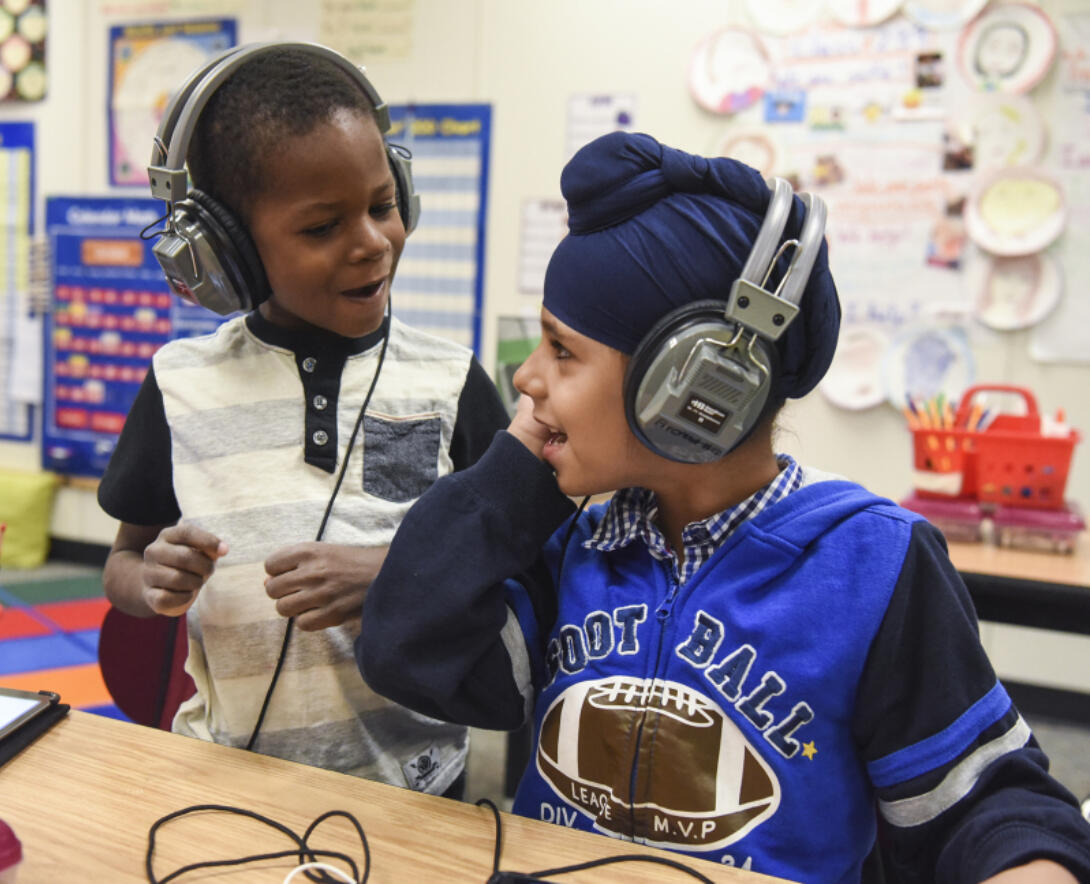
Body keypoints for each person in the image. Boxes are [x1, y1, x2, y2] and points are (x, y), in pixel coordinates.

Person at [356, 132, 1090, 880]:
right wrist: (517, 468)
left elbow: (986, 802)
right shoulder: (579, 544)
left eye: (561, 349)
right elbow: (407, 652)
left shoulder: (871, 566)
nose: (528, 378)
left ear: (698, 387)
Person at [97, 43, 507, 798]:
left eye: (383, 205)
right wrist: (150, 578)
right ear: (226, 254)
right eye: (321, 228)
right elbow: (122, 568)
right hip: (221, 777)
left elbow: (517, 568)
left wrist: (394, 574)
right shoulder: (178, 385)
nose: (372, 242)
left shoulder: (452, 382)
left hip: (414, 791)